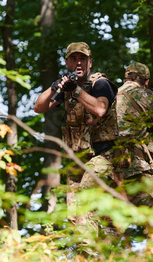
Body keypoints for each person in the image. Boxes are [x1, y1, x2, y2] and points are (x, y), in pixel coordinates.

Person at [33, 42, 119, 234]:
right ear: (66, 63)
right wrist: (54, 87)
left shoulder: (100, 83)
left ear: (90, 62)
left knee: (89, 207)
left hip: (102, 157)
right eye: (74, 59)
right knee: (75, 216)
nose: (78, 63)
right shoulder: (67, 88)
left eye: (83, 59)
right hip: (77, 160)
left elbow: (100, 109)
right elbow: (38, 107)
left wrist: (77, 91)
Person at [114, 62, 153, 217]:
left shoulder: (111, 94)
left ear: (125, 79)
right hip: (135, 163)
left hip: (110, 164)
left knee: (115, 217)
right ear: (146, 81)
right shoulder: (144, 94)